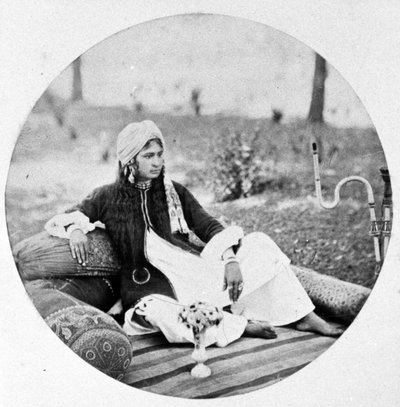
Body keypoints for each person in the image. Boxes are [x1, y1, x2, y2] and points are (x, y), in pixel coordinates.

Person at [45, 120, 343, 348]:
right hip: (152, 290)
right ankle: (237, 326)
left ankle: (304, 316)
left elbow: (208, 225)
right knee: (154, 313)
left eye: (159, 154)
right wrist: (77, 229)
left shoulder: (173, 192)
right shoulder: (107, 196)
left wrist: (230, 260)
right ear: (130, 161)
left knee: (260, 243)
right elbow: (72, 214)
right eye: (148, 156)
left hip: (199, 275)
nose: (157, 161)